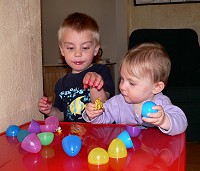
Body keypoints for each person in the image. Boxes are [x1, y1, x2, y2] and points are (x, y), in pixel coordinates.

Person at [83, 43, 188, 136]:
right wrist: (93, 114)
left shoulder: (160, 104)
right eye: (122, 79)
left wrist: (164, 120)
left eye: (132, 83)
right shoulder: (118, 102)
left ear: (156, 87)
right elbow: (102, 120)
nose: (122, 86)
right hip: (127, 152)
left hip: (152, 154)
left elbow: (182, 123)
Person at [38, 12, 115, 122]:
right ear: (62, 51)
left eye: (85, 47)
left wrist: (94, 84)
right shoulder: (61, 84)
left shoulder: (101, 71)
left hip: (99, 134)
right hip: (73, 137)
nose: (77, 54)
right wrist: (50, 111)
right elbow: (62, 115)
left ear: (96, 50)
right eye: (70, 48)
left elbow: (102, 104)